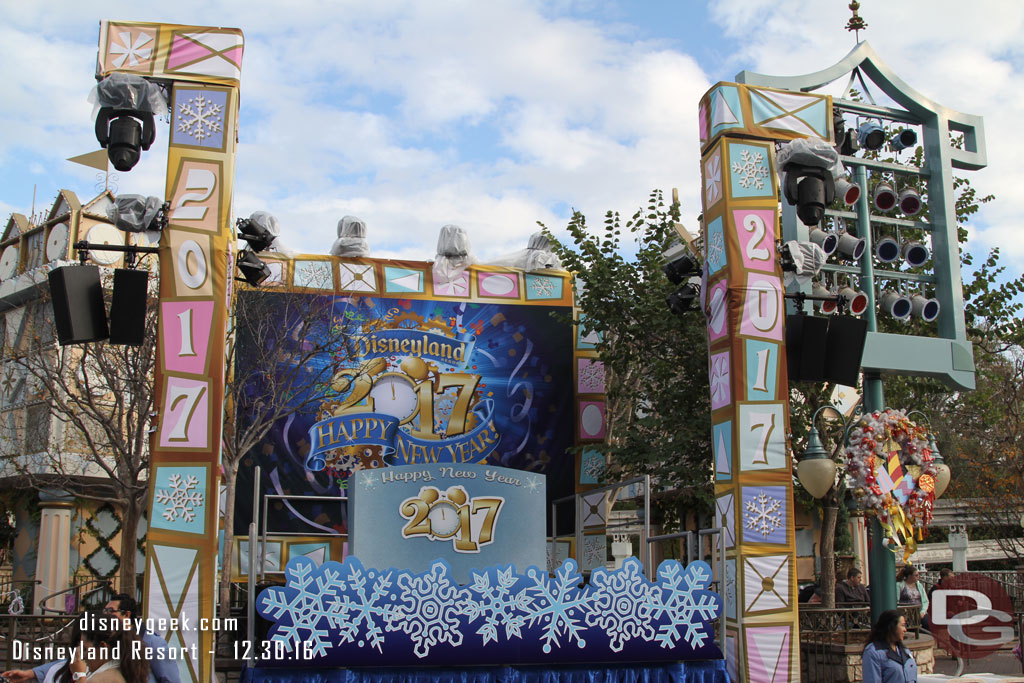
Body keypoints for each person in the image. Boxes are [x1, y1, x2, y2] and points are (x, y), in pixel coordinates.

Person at [3, 595, 179, 683]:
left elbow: (169, 678)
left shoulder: (152, 643)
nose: (105, 615)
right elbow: (70, 660)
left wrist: (79, 675)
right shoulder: (108, 660)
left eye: (110, 612)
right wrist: (33, 673)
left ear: (126, 615)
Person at [862, 609, 918, 683]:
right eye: (902, 625)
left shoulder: (905, 651)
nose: (905, 629)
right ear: (891, 627)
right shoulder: (873, 652)